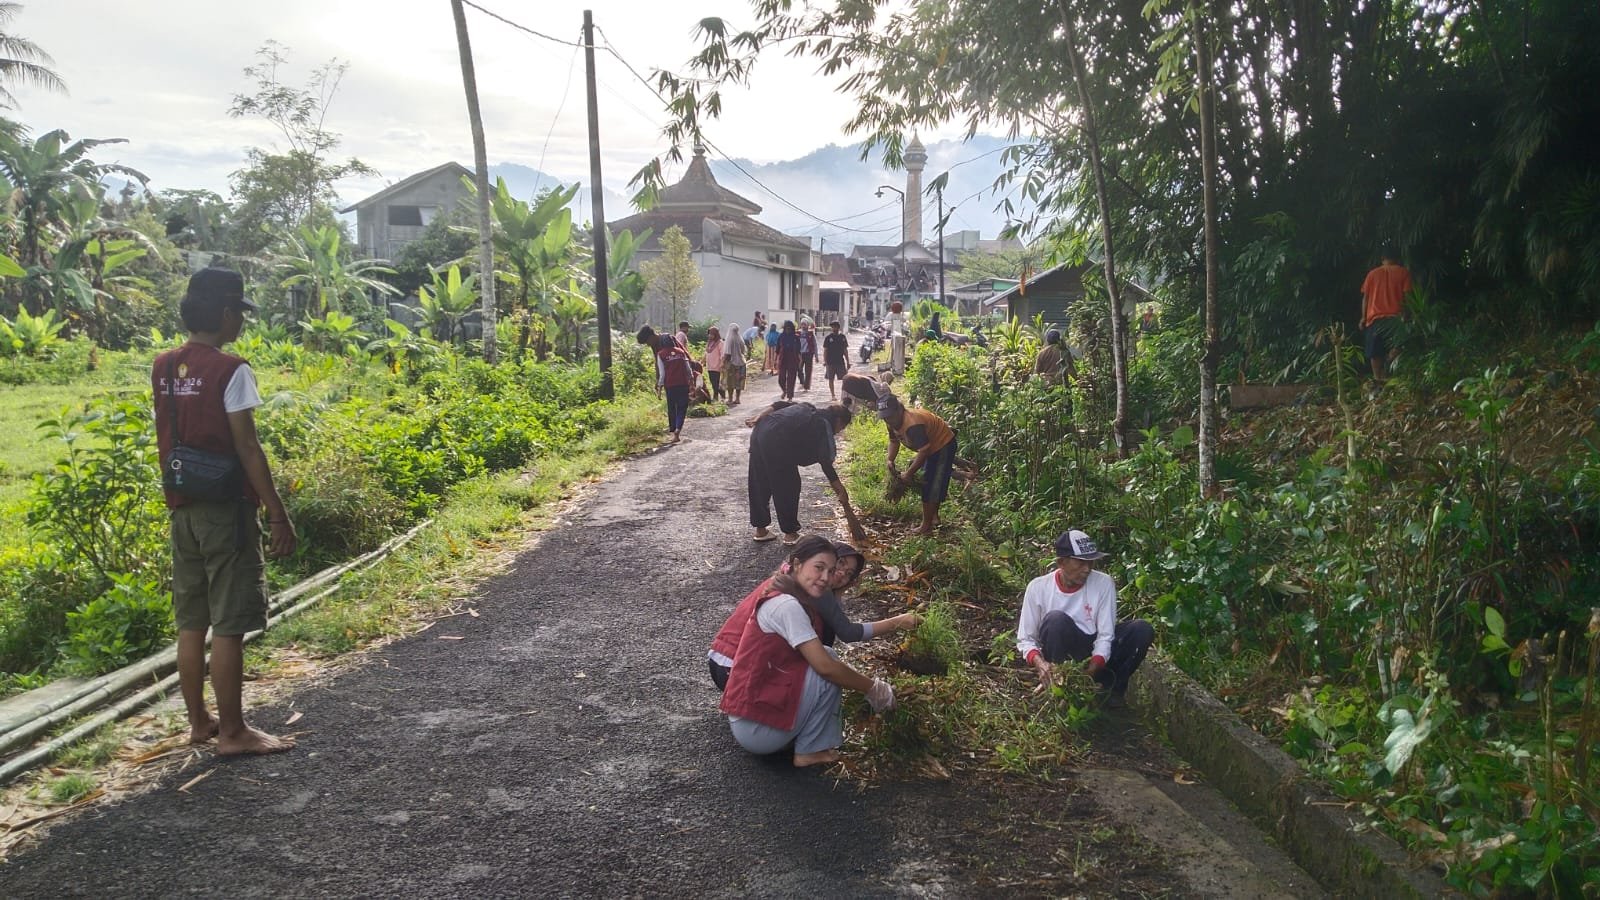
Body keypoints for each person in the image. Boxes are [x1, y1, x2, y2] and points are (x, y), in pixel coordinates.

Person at [153, 268, 296, 756]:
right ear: (227, 314)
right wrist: (277, 513)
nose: (241, 324)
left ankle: (199, 722)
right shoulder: (232, 369)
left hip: (183, 507)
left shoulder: (164, 364)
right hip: (225, 510)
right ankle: (234, 732)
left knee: (192, 621)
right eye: (239, 314)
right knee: (229, 624)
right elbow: (249, 449)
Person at [718, 536, 896, 767]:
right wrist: (874, 689)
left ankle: (801, 740)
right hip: (753, 729)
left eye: (830, 571)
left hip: (748, 712)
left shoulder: (788, 591)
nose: (826, 577)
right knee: (828, 668)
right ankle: (810, 750)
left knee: (827, 657)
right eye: (819, 568)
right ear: (797, 564)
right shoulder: (787, 605)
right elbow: (827, 668)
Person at [707, 542, 920, 691]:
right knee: (826, 668)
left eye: (849, 574)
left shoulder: (793, 577)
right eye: (840, 565)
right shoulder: (811, 590)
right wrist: (898, 622)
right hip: (732, 668)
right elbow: (847, 633)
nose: (840, 574)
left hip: (724, 660)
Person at [1016, 529, 1155, 708]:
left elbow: (1105, 636)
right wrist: (1041, 664)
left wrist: (1089, 674)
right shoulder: (1038, 588)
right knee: (1055, 620)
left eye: (1091, 562)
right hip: (1064, 652)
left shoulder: (1103, 583)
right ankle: (1060, 686)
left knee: (1141, 630)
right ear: (1061, 562)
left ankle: (1111, 692)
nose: (1087, 569)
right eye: (1081, 563)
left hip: (1094, 652)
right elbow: (1026, 639)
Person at [747, 401, 866, 544]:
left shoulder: (807, 407)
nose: (839, 431)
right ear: (839, 420)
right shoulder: (824, 425)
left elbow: (778, 404)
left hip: (760, 430)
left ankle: (761, 530)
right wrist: (840, 489)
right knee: (788, 485)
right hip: (777, 440)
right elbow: (826, 463)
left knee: (760, 482)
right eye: (842, 428)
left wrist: (760, 416)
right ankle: (790, 534)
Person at [881, 397, 958, 535]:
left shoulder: (912, 425)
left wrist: (908, 474)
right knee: (929, 480)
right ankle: (933, 516)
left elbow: (924, 451)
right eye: (885, 417)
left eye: (890, 416)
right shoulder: (891, 422)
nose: (888, 420)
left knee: (932, 484)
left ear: (899, 410)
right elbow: (893, 441)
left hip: (943, 445)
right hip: (930, 447)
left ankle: (926, 526)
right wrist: (890, 459)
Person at [1360, 247, 1412, 382]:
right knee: (1399, 345)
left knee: (1375, 352)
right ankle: (1388, 364)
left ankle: (1378, 379)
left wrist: (1363, 318)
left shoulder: (1372, 274)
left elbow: (1366, 298)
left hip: (1374, 318)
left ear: (1382, 259)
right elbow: (1408, 296)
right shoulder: (1403, 272)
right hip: (1395, 317)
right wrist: (1407, 314)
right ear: (1397, 259)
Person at [656, 333, 693, 443]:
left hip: (670, 386)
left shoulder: (661, 354)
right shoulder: (681, 352)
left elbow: (662, 374)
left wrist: (659, 388)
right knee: (682, 408)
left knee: (672, 408)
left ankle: (673, 431)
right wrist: (691, 381)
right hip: (683, 384)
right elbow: (688, 369)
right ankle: (678, 429)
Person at [822, 321, 851, 400]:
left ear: (838, 328)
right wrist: (824, 361)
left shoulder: (842, 337)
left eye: (835, 327)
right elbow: (825, 350)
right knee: (831, 379)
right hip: (830, 362)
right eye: (833, 327)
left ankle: (844, 394)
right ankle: (833, 395)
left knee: (844, 379)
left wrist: (848, 361)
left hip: (840, 361)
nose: (834, 328)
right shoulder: (828, 338)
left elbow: (845, 350)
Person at [776, 320, 802, 401]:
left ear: (792, 329)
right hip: (783, 359)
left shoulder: (796, 337)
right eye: (786, 328)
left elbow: (798, 350)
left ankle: (790, 397)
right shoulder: (781, 336)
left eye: (789, 329)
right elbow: (777, 349)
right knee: (781, 379)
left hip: (793, 359)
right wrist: (775, 360)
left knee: (791, 379)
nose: (788, 330)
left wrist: (800, 361)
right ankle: (785, 390)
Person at [721, 321, 746, 406]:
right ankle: (738, 398)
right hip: (741, 363)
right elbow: (743, 350)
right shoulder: (740, 338)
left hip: (731, 364)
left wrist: (723, 363)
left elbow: (727, 353)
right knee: (738, 381)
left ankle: (730, 399)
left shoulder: (729, 339)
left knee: (730, 382)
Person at [704, 326, 725, 401]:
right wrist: (703, 361)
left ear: (716, 334)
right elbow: (706, 353)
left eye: (712, 334)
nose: (710, 336)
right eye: (709, 334)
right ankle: (716, 397)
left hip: (717, 366)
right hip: (709, 366)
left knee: (716, 383)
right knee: (712, 382)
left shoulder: (720, 343)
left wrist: (722, 364)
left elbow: (722, 354)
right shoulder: (709, 342)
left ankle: (721, 395)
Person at [797, 319, 817, 391]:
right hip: (800, 354)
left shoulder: (811, 333)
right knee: (798, 369)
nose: (803, 326)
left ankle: (806, 386)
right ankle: (802, 381)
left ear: (807, 325)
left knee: (808, 370)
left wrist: (816, 356)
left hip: (808, 354)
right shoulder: (798, 333)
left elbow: (815, 344)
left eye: (804, 324)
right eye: (802, 324)